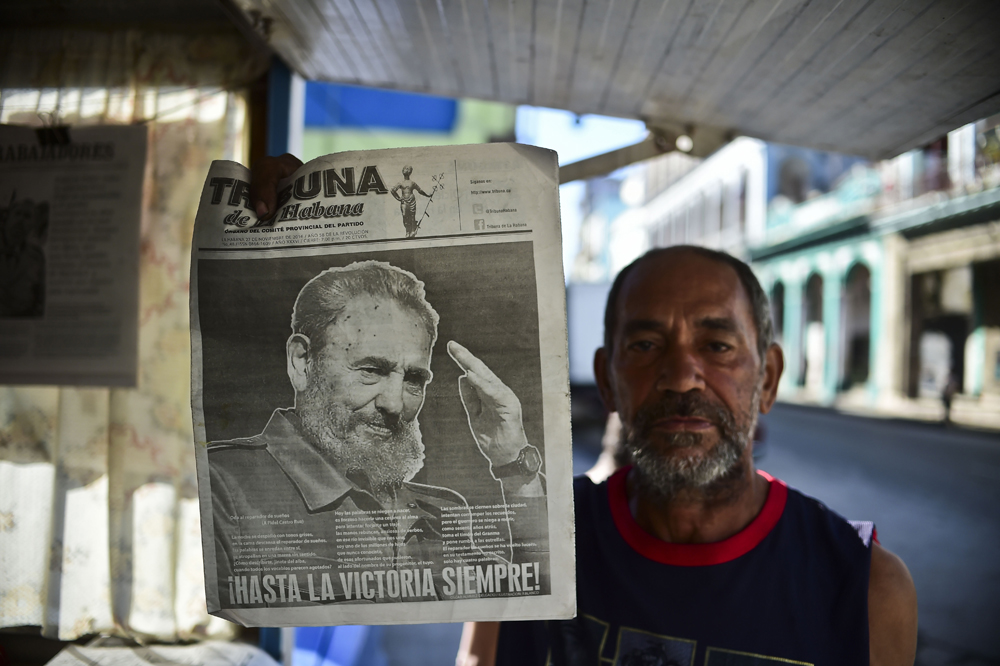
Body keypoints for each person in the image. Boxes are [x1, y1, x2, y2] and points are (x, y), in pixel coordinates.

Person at [249, 157, 918, 664]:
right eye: (646, 345)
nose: (682, 374)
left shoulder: (864, 588)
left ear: (767, 378)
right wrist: (282, 232)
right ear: (608, 381)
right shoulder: (529, 542)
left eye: (717, 346)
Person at [208, 260, 545, 609]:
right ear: (303, 362)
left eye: (413, 379)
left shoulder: (444, 512)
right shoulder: (222, 485)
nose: (395, 404)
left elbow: (536, 601)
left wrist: (513, 463)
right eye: (371, 370)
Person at [391, 165, 431, 238]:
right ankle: (407, 231)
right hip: (404, 201)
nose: (406, 170)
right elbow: (392, 190)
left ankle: (412, 230)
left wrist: (427, 195)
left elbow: (420, 190)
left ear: (410, 172)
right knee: (404, 216)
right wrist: (398, 198)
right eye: (405, 168)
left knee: (412, 216)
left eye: (408, 169)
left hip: (412, 200)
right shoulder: (400, 183)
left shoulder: (412, 183)